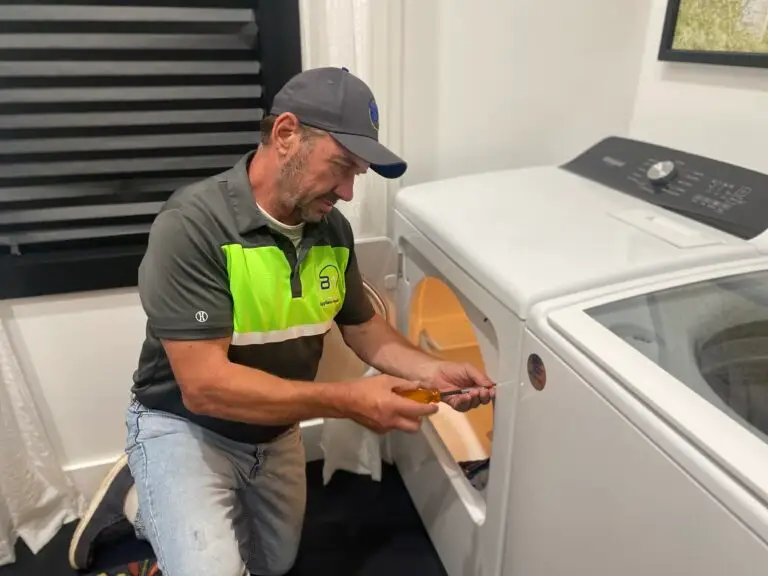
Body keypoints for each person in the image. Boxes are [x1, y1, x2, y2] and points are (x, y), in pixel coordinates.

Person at [68, 66, 495, 576]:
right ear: (286, 134)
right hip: (184, 425)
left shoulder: (330, 230)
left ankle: (173, 514)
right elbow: (204, 387)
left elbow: (360, 326)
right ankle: (142, 494)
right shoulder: (193, 226)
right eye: (341, 166)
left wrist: (430, 371)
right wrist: (348, 401)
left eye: (355, 173)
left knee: (272, 565)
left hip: (274, 428)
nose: (347, 191)